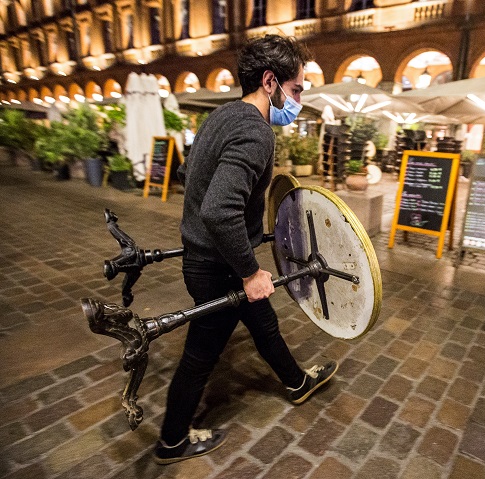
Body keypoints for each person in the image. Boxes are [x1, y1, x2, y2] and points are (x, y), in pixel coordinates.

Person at [154, 34, 337, 465]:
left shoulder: (220, 116)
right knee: (201, 353)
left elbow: (187, 171)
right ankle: (172, 440)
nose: (298, 101)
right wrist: (250, 270)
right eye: (296, 90)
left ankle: (295, 382)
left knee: (263, 322)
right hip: (219, 265)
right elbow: (219, 209)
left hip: (207, 258)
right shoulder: (256, 132)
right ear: (270, 82)